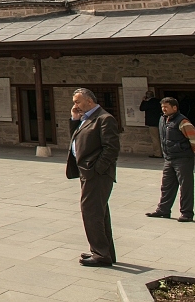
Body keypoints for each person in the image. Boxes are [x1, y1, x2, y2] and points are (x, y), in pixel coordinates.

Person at [66, 88, 120, 267]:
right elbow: (77, 138)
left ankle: (100, 254)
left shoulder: (104, 119)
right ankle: (105, 252)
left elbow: (111, 148)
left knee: (91, 212)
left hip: (96, 174)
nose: (75, 105)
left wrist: (97, 169)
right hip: (87, 172)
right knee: (99, 213)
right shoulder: (85, 118)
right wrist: (74, 119)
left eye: (78, 102)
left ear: (89, 101)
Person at [146, 97, 195, 222]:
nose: (163, 109)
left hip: (183, 159)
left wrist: (184, 150)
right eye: (162, 107)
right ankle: (163, 210)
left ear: (174, 107)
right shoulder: (162, 120)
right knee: (166, 185)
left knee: (185, 187)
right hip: (169, 158)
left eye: (166, 107)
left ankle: (186, 213)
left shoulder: (183, 121)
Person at [139, 91, 163, 158]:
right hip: (160, 121)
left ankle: (158, 153)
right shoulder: (158, 101)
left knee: (155, 138)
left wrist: (143, 101)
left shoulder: (148, 103)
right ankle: (164, 152)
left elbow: (141, 108)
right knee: (162, 137)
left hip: (152, 122)